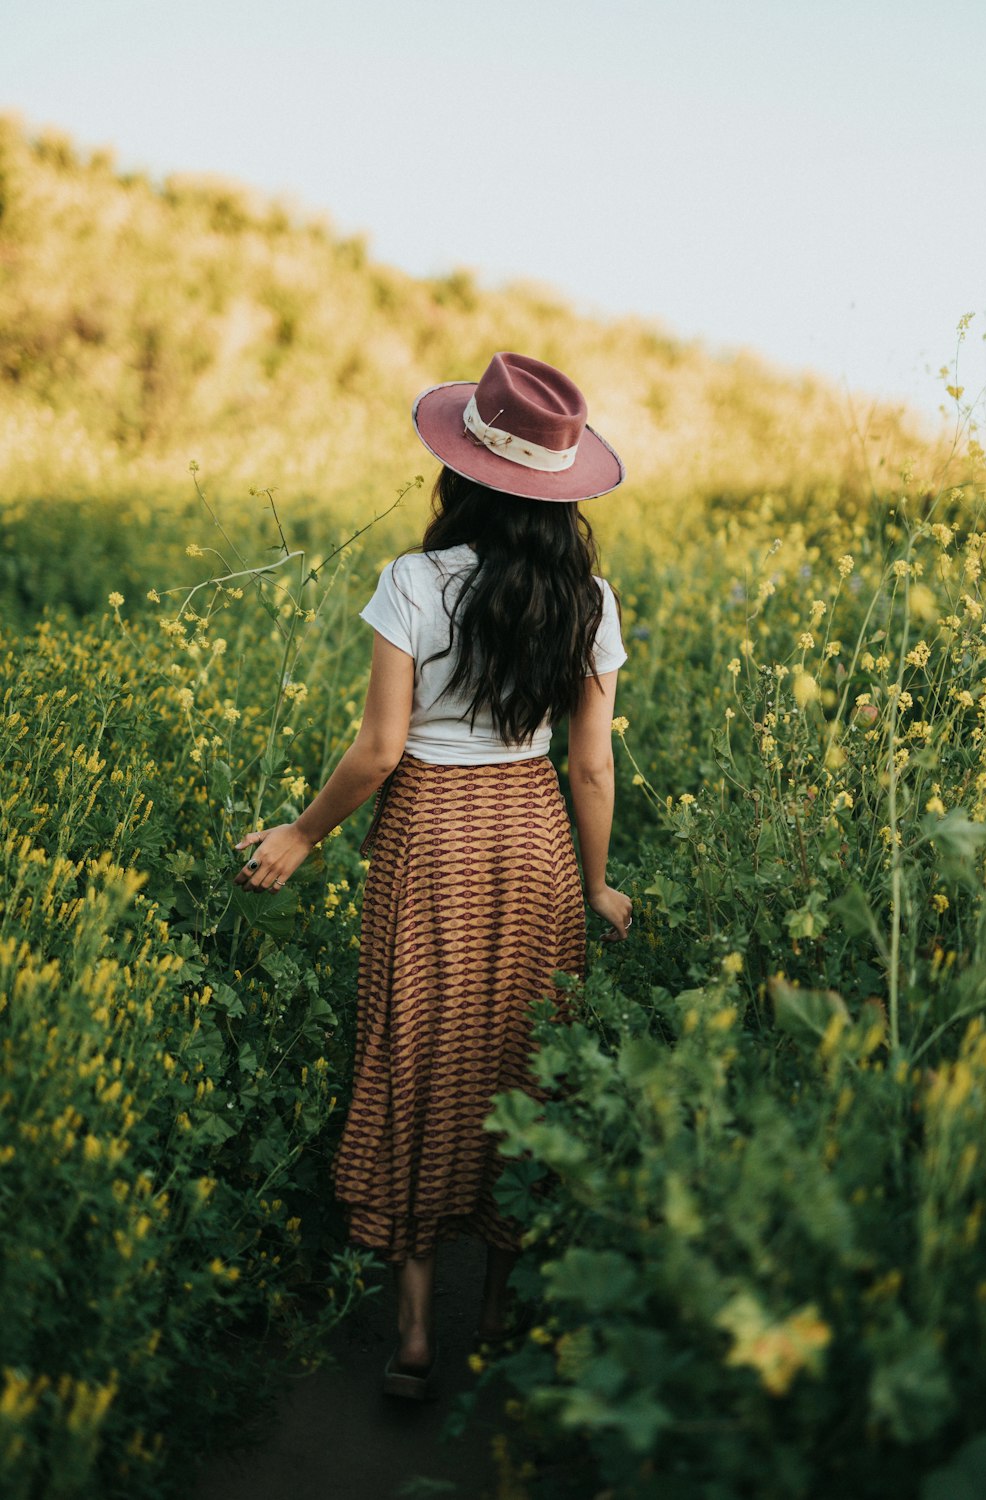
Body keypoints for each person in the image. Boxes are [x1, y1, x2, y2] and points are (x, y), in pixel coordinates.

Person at [235, 351, 632, 1399]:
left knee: (417, 1055)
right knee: (520, 1059)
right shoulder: (588, 597)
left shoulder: (414, 582)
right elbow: (588, 762)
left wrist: (302, 835)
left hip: (429, 837)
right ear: (559, 490)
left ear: (458, 473)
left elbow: (377, 750)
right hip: (535, 839)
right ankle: (494, 1312)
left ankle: (412, 1336)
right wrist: (595, 885)